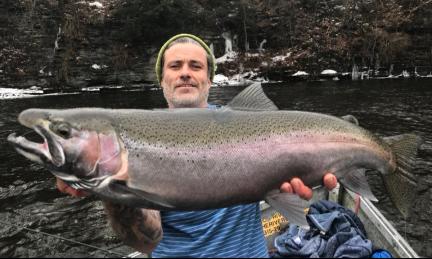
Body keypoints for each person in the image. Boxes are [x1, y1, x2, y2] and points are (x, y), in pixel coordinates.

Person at [56, 33, 338, 258]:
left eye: (196, 66)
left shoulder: (247, 121)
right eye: (175, 66)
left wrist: (294, 180)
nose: (185, 73)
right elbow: (145, 240)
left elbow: (286, 174)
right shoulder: (136, 138)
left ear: (209, 78)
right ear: (162, 79)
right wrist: (109, 185)